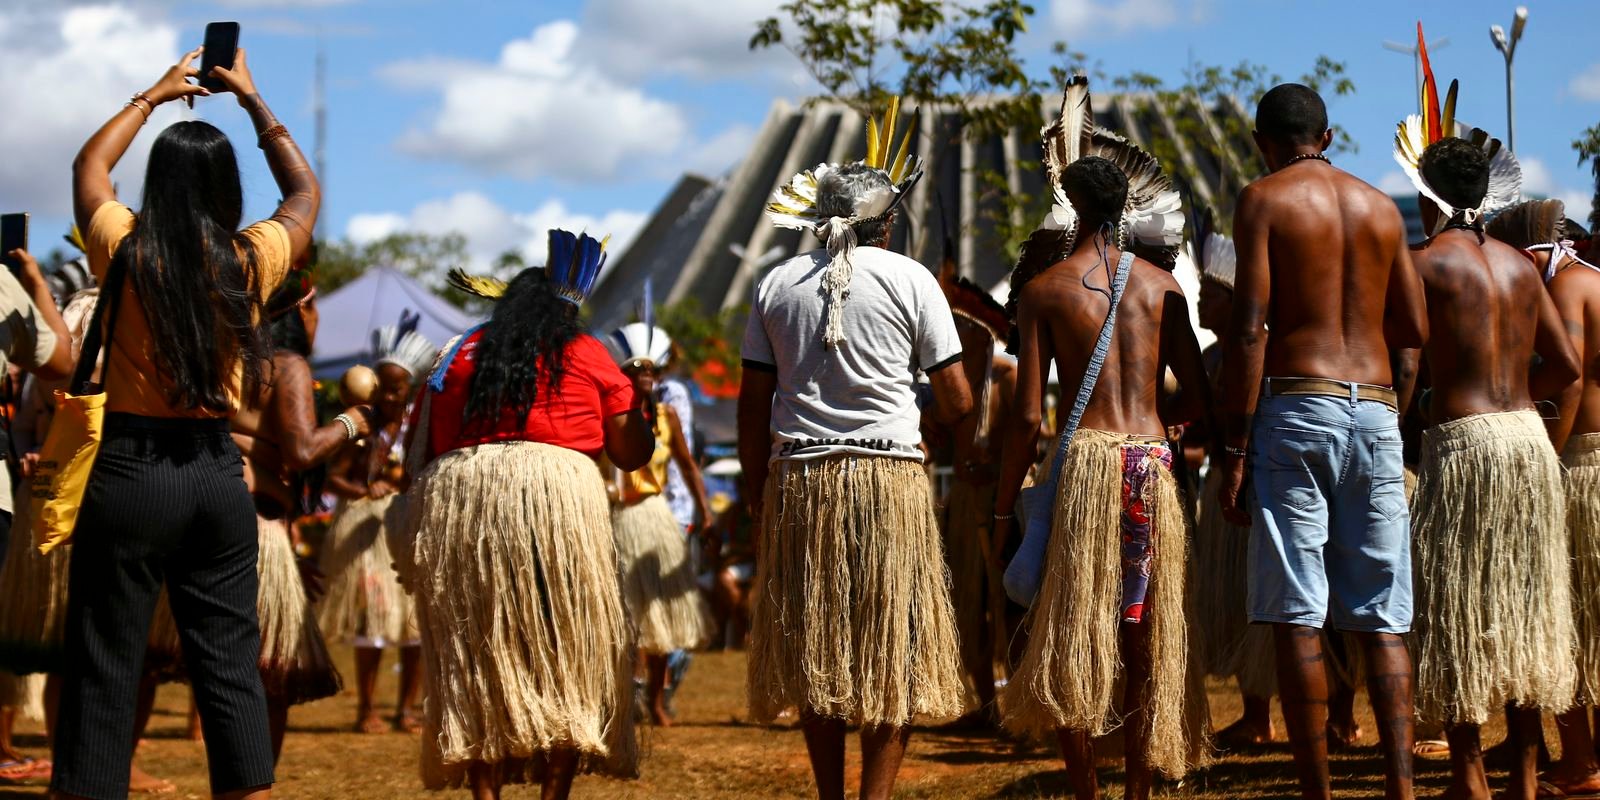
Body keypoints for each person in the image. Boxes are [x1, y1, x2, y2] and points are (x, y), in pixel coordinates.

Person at [56, 44, 315, 800]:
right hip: (215, 474)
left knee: (108, 657)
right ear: (227, 186)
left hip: (132, 469)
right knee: (228, 660)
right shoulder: (252, 258)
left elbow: (86, 169)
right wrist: (254, 102)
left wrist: (155, 96)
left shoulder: (124, 251)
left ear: (159, 186)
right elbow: (302, 192)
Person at [740, 98, 972, 800]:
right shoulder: (913, 279)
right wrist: (934, 434)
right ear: (888, 222)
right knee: (889, 649)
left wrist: (758, 496)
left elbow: (754, 407)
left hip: (799, 481)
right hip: (890, 476)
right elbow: (958, 399)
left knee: (815, 646)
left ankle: (831, 796)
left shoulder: (775, 283)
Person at [992, 76, 1207, 799]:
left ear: (1069, 205)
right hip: (1148, 459)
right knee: (1142, 631)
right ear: (1129, 206)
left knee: (1071, 626)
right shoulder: (1161, 286)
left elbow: (1026, 415)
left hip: (1084, 462)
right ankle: (1141, 787)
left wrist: (1002, 505)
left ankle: (1086, 786)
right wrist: (1164, 423)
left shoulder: (1044, 290)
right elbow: (1197, 395)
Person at [1216, 82, 1427, 800]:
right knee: (1382, 614)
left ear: (1261, 141)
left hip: (1296, 406)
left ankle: (1319, 793)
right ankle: (1400, 789)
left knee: (1296, 609)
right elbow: (1413, 334)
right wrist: (1387, 409)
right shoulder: (1378, 207)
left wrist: (1234, 447)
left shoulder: (1264, 199)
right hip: (1373, 408)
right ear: (1329, 136)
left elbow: (1249, 327)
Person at [396, 229, 655, 798]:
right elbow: (630, 453)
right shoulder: (586, 352)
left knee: (476, 650)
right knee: (569, 649)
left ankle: (486, 795)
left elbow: (422, 453)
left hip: (462, 501)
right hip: (557, 502)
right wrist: (643, 404)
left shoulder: (459, 352)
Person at [1402, 119, 1581, 800]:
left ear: (1427, 194)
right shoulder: (1521, 266)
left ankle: (1471, 776)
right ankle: (1529, 778)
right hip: (1527, 441)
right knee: (1524, 604)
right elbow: (1562, 367)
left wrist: (1423, 409)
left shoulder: (1426, 264)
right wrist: (1517, 405)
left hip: (1465, 443)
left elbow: (1408, 367)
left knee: (1460, 606)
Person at [231, 269, 373, 760]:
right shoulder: (285, 364)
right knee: (271, 673)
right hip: (253, 528)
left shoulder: (227, 360)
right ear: (301, 311)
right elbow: (301, 450)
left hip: (216, 519)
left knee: (210, 664)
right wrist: (351, 423)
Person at [1487, 200, 1600, 797]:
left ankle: (1580, 762)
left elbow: (1572, 376)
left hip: (1584, 466)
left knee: (1571, 619)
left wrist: (1548, 460)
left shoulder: (1566, 288)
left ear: (1529, 253)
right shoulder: (1596, 280)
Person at [319, 322, 432, 734]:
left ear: (409, 389)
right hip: (367, 532)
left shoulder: (420, 426)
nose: (388, 395)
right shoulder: (361, 426)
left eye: (396, 388)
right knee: (374, 620)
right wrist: (367, 488)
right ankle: (365, 708)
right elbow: (334, 476)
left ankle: (407, 709)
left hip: (407, 525)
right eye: (383, 387)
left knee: (413, 621)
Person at [602, 323, 714, 727]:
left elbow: (687, 464)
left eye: (651, 370)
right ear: (624, 376)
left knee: (662, 612)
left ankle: (656, 700)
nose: (647, 377)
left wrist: (705, 512)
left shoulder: (667, 416)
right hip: (619, 517)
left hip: (657, 515)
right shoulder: (607, 414)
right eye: (638, 371)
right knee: (629, 613)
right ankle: (627, 697)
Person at [935, 264, 1016, 726]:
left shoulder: (1005, 376)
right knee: (969, 607)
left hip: (1002, 499)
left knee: (1008, 607)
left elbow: (1031, 431)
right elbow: (938, 430)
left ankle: (1020, 705)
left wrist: (996, 462)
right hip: (967, 502)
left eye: (968, 328)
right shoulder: (949, 379)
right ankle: (986, 705)